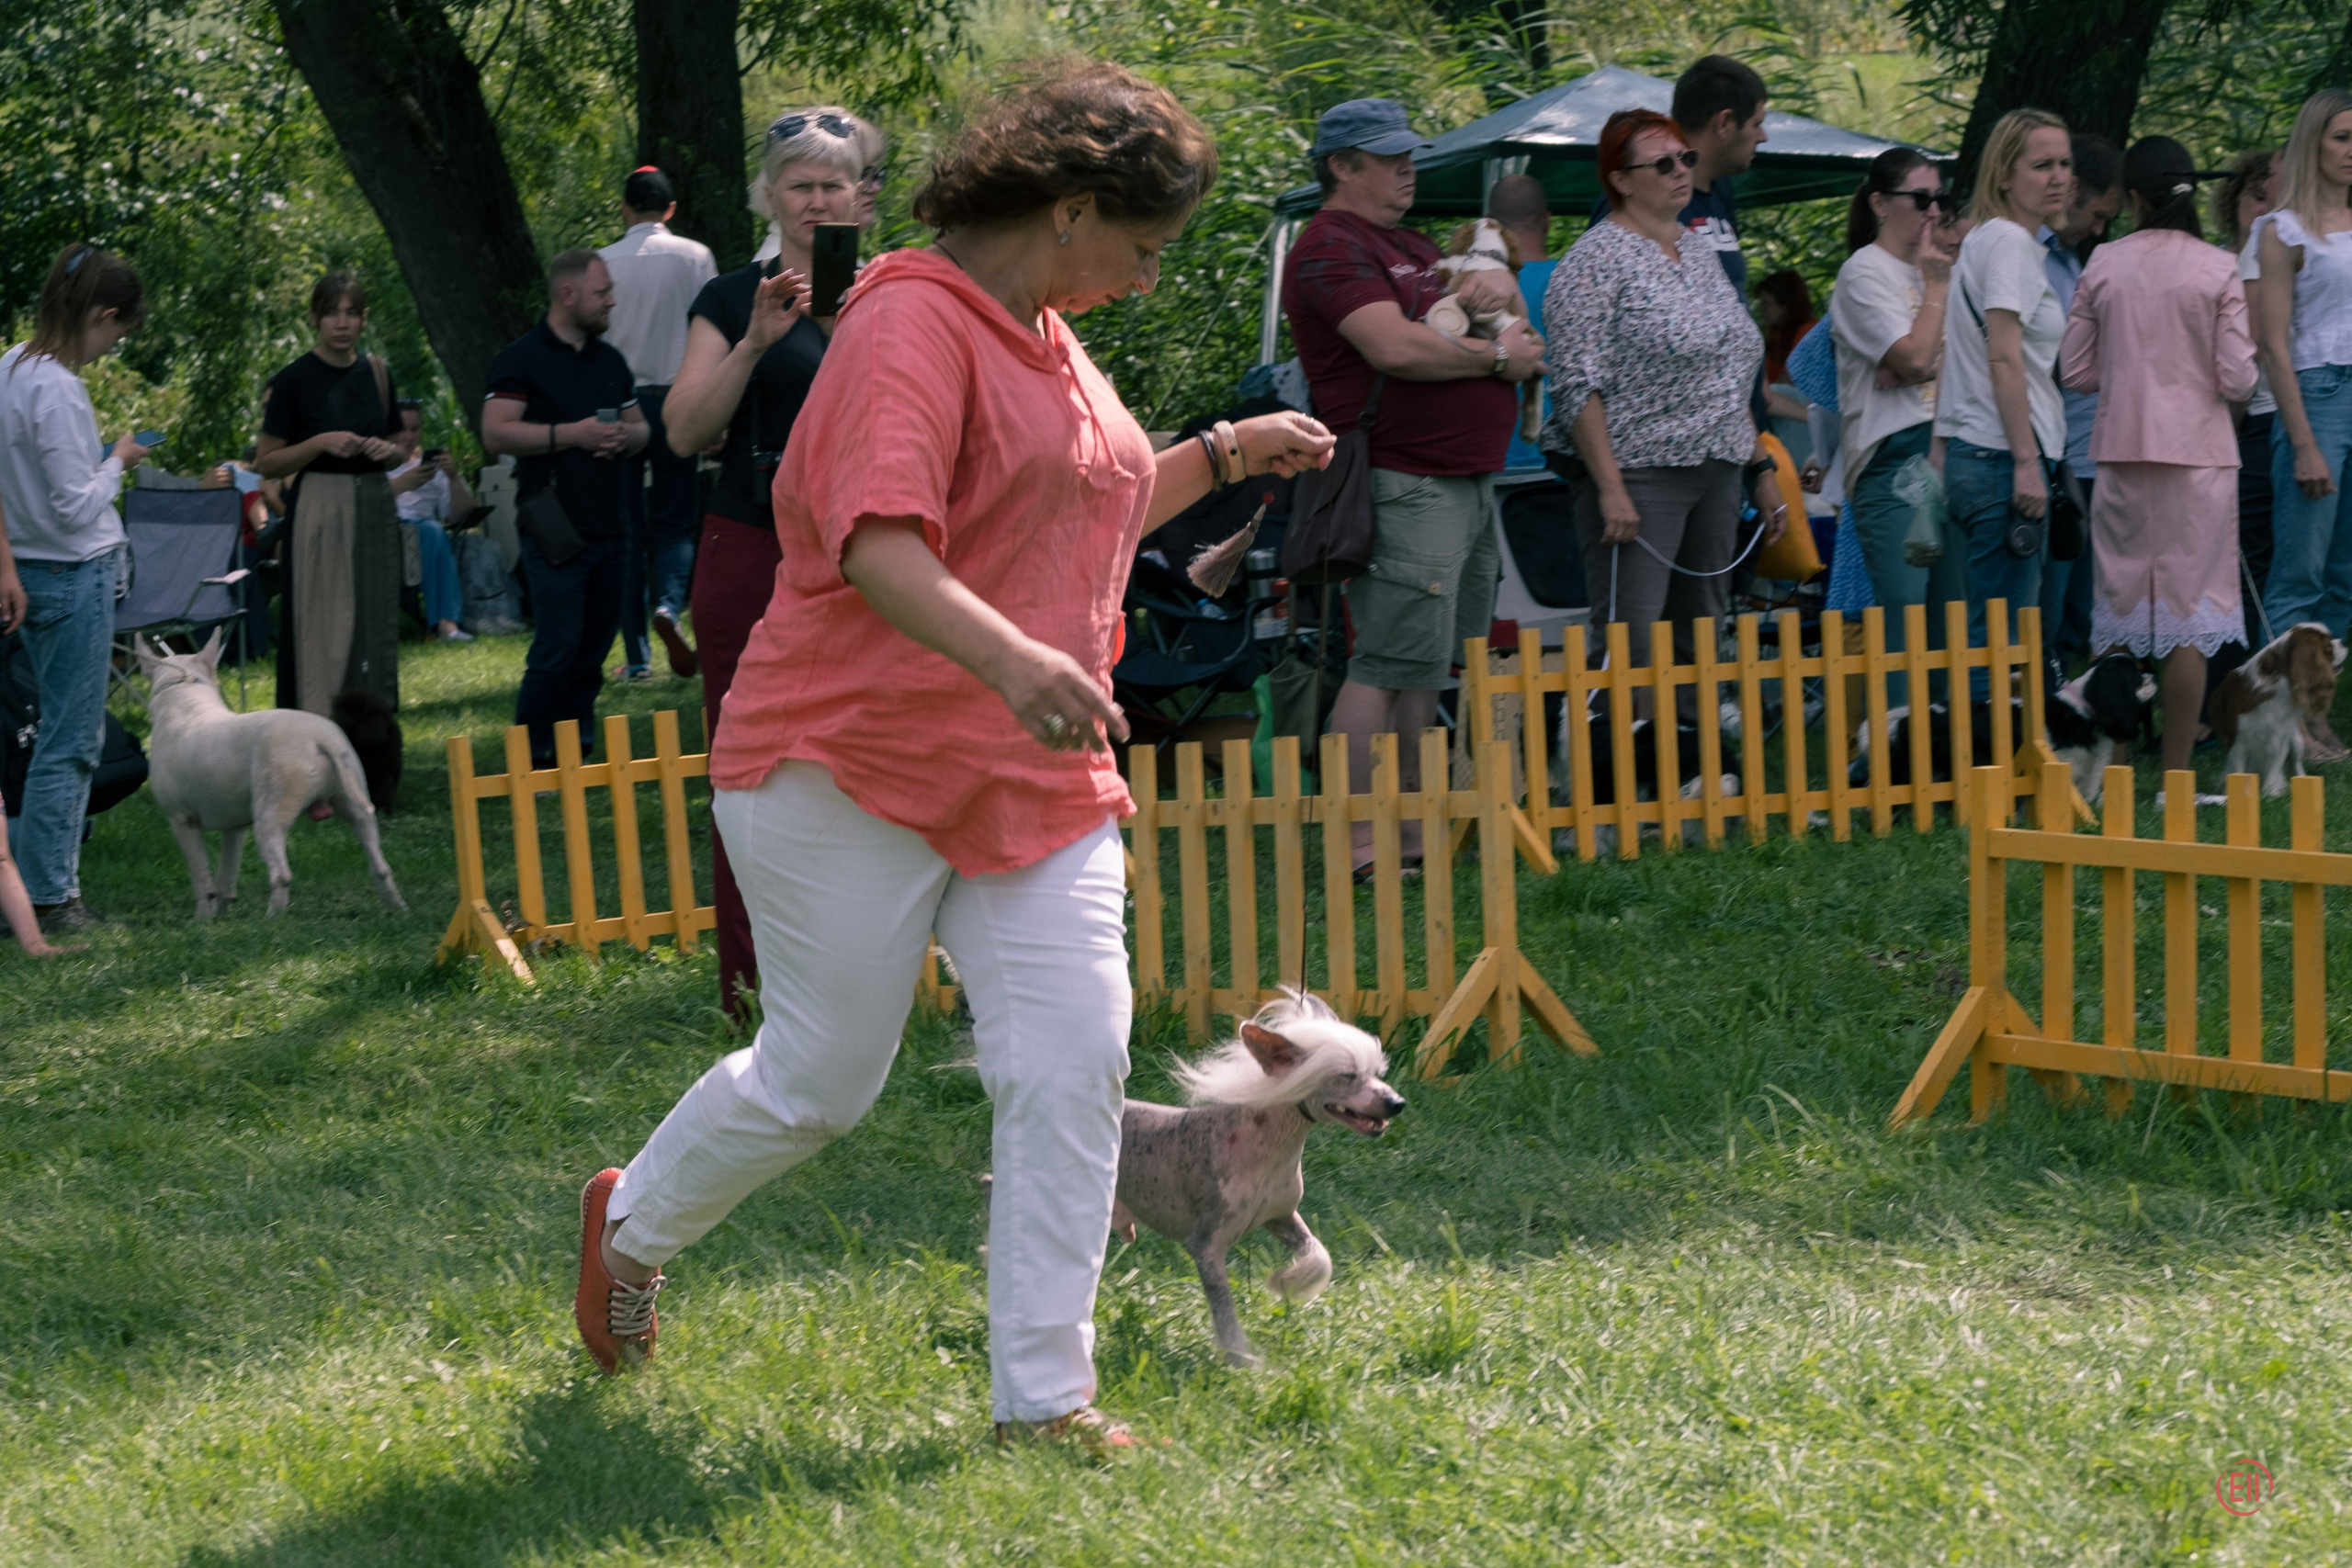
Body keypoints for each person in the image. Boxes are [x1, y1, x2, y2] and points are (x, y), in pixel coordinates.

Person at [571, 62, 1334, 1453]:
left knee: (1073, 1062)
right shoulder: (908, 326)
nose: (1151, 281)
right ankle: (626, 1230)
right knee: (821, 1077)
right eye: (1145, 247)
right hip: (845, 757)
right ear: (1070, 208)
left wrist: (1221, 454)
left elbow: (1075, 508)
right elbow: (877, 542)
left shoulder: (1046, 330)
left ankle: (1043, 1399)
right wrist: (1018, 661)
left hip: (1031, 772)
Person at [660, 105, 884, 1017]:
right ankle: (752, 989)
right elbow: (683, 432)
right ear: (769, 195)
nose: (818, 201)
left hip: (870, 556)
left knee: (871, 764)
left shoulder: (899, 294)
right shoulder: (725, 299)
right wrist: (758, 337)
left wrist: (840, 320)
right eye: (801, 184)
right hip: (751, 548)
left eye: (836, 185)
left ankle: (865, 980)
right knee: (750, 772)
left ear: (864, 202)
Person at [1281, 96, 1542, 868]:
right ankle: (1361, 841)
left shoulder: (1416, 246)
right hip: (1405, 478)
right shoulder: (1331, 246)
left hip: (1460, 481)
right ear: (1340, 165)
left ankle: (1415, 832)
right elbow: (1393, 347)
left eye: (1410, 155)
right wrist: (1499, 361)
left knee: (1426, 670)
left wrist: (1507, 312)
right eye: (1389, 157)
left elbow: (1521, 331)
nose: (1408, 168)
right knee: (1383, 669)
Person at [1542, 109, 1782, 707]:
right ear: (1621, 180)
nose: (1681, 172)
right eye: (1663, 163)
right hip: (1639, 472)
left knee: (1702, 634)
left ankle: (1690, 778)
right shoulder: (1594, 259)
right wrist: (1610, 487)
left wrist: (1763, 471)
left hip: (1719, 466)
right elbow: (1575, 382)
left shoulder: (1698, 250)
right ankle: (1619, 783)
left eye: (1686, 159)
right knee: (1632, 641)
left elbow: (1727, 371)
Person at [2059, 136, 2256, 776]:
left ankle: (2111, 765)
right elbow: (2238, 380)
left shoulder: (2104, 263)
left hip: (2119, 455)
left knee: (2117, 615)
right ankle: (2174, 775)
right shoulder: (2218, 267)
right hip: (2199, 461)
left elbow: (2076, 369)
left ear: (2133, 197)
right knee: (2189, 622)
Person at [0, 243, 149, 934]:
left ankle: (33, 892)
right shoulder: (57, 385)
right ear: (104, 314)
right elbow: (73, 504)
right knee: (70, 741)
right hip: (71, 571)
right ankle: (53, 899)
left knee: (45, 737)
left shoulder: (8, 366)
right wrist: (116, 461)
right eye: (117, 333)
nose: (111, 346)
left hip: (28, 568)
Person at [481, 251, 649, 767]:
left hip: (612, 528)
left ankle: (577, 750)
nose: (612, 301)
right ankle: (533, 757)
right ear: (567, 295)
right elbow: (496, 430)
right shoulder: (522, 358)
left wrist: (626, 436)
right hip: (553, 527)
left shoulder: (610, 361)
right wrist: (571, 435)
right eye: (602, 293)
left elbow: (643, 430)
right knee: (555, 652)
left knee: (592, 655)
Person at [1936, 108, 2073, 691]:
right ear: (2004, 175)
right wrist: (2025, 462)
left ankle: (1970, 763)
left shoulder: (1985, 241)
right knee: (2001, 641)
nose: (2060, 176)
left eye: (2065, 163)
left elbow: (1957, 354)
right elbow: (2002, 355)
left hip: (1977, 453)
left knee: (1986, 632)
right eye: (2042, 165)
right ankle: (1980, 773)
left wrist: (1943, 448)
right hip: (2002, 460)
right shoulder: (2010, 244)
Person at [1829, 146, 1964, 699]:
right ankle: (1893, 759)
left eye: (1940, 199)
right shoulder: (1865, 273)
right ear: (1881, 203)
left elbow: (1968, 360)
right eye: (1921, 199)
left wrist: (1920, 356)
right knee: (1906, 612)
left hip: (1954, 448)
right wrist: (1934, 298)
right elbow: (1913, 359)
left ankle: (1949, 756)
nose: (1934, 211)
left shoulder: (1943, 270)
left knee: (1951, 614)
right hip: (1894, 462)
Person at [255, 272, 405, 717]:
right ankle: (315, 740)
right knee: (323, 632)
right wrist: (320, 443)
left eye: (351, 313)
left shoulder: (377, 372)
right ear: (315, 319)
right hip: (320, 506)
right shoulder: (294, 380)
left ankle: (372, 746)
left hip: (375, 504)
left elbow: (400, 449)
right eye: (332, 313)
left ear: (363, 319)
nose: (342, 323)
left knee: (373, 628)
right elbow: (267, 462)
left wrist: (388, 451)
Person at [597, 165, 717, 680]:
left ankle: (638, 657)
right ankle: (669, 603)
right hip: (677, 398)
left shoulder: (602, 262)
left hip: (617, 403)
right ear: (670, 209)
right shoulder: (695, 257)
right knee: (675, 516)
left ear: (625, 208)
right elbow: (715, 328)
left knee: (624, 526)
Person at [2251, 89, 2352, 642]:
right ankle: (2279, 723)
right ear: (2312, 144)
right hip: (2317, 396)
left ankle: (2312, 717)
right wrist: (2305, 443)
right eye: (2342, 138)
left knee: (2344, 576)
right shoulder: (2282, 230)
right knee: (2300, 573)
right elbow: (2271, 343)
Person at [2033, 134, 2123, 664]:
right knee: (2049, 598)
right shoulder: (2027, 256)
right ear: (2070, 192)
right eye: (2096, 212)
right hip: (2052, 457)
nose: (2100, 227)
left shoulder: (2068, 260)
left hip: (2086, 451)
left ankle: (2072, 703)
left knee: (2080, 603)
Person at [2206, 148, 2283, 712]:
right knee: (2238, 564)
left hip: (2286, 416)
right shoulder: (2217, 267)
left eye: (2280, 199)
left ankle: (2278, 680)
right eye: (2258, 197)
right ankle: (2226, 692)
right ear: (2233, 201)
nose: (2267, 211)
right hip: (2242, 425)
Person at [387, 399, 477, 642]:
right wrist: (402, 483)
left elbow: (461, 517)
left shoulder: (433, 469)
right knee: (430, 532)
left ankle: (446, 625)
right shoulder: (375, 467)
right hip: (383, 535)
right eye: (402, 429)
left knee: (432, 531)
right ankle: (445, 624)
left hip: (422, 536)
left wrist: (453, 477)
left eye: (414, 429)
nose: (408, 436)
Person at [1489, 172, 1556, 472]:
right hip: (1572, 463)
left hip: (1493, 464)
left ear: (1489, 226)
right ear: (1548, 220)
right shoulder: (1581, 281)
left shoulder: (1467, 291)